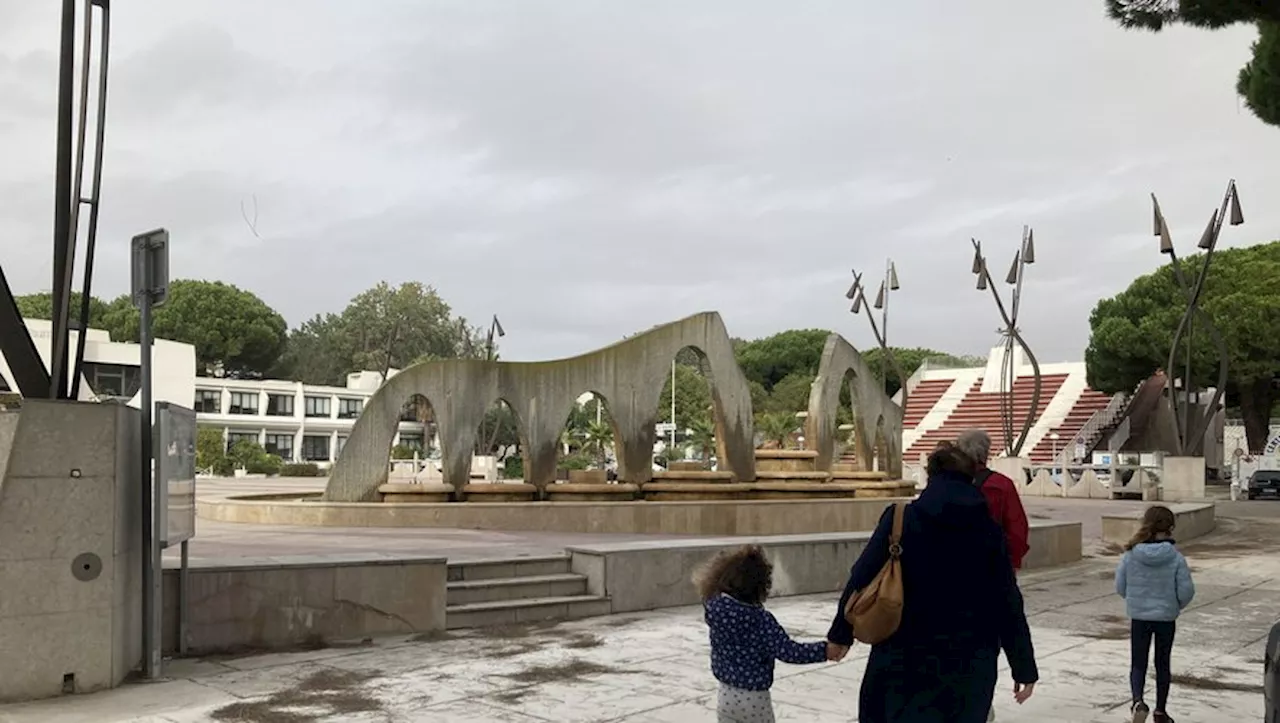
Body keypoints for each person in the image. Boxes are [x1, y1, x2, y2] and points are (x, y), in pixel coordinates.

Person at [827, 441, 1038, 723]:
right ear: (970, 478)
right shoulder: (988, 532)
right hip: (969, 666)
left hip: (902, 659)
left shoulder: (901, 519)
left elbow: (861, 577)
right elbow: (1008, 602)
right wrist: (1023, 666)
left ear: (930, 476)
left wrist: (841, 635)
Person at [695, 545, 845, 722]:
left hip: (725, 696)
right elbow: (789, 651)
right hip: (755, 699)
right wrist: (824, 651)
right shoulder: (760, 620)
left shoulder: (714, 609)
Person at [1116, 505, 1196, 723]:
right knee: (1162, 663)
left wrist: (1136, 600)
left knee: (1138, 662)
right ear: (1170, 527)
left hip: (1140, 617)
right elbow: (1187, 590)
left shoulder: (1131, 555)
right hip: (1165, 618)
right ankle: (1160, 711)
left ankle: (1137, 701)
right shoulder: (1176, 558)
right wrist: (1174, 605)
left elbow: (1120, 586)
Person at [956, 429, 1031, 571]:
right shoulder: (1002, 484)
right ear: (986, 452)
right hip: (994, 563)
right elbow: (1018, 528)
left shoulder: (949, 484)